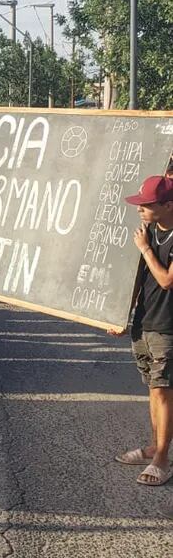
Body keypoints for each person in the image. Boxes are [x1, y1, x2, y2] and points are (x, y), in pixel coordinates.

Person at [111, 175, 173, 486]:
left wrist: (145, 249)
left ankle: (162, 459)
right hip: (144, 321)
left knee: (163, 391)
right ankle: (153, 446)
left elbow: (166, 280)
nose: (140, 210)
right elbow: (136, 278)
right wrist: (121, 315)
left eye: (147, 205)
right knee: (152, 387)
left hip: (168, 326)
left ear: (167, 205)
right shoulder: (148, 231)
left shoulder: (154, 238)